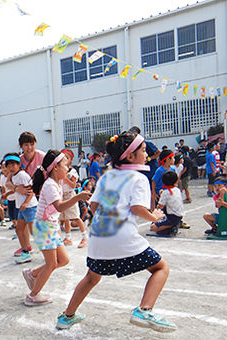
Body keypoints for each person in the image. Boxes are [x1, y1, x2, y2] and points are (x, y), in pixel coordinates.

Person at [56, 131, 176, 332]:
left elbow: (93, 206)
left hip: (100, 236)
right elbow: (138, 209)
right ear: (130, 156)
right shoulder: (138, 179)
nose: (146, 155)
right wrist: (154, 216)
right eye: (144, 151)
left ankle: (67, 316)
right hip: (123, 237)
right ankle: (145, 310)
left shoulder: (107, 176)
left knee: (91, 278)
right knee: (161, 268)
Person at [22, 150, 91, 306]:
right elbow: (59, 207)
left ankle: (32, 274)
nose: (67, 169)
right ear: (55, 168)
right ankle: (32, 296)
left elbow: (61, 203)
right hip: (44, 227)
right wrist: (77, 197)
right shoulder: (50, 185)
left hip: (50, 226)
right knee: (51, 264)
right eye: (65, 165)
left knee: (63, 260)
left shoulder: (57, 183)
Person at [6, 153, 38, 264]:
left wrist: (25, 203)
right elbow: (14, 187)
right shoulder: (14, 176)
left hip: (29, 207)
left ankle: (52, 249)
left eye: (13, 165)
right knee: (19, 230)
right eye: (8, 165)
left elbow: (31, 191)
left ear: (19, 164)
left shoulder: (22, 175)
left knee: (35, 231)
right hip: (22, 207)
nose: (11, 167)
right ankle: (26, 252)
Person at [59, 149, 88, 248]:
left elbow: (73, 185)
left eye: (67, 157)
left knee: (75, 216)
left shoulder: (73, 172)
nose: (65, 159)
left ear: (71, 160)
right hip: (61, 196)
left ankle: (84, 237)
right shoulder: (59, 170)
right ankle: (68, 237)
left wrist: (66, 178)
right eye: (63, 157)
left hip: (70, 195)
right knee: (65, 218)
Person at [150, 171, 185, 237]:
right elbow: (170, 197)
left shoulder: (165, 193)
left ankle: (171, 226)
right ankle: (171, 226)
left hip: (171, 217)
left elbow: (160, 206)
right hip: (179, 216)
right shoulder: (177, 190)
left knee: (153, 227)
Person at [0, 160, 17, 230]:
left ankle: (17, 225)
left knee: (16, 214)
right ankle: (15, 224)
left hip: (16, 198)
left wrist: (7, 194)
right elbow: (3, 188)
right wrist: (2, 199)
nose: (4, 169)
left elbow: (16, 189)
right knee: (11, 214)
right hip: (9, 199)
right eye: (2, 167)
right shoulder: (2, 177)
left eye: (5, 167)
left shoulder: (13, 176)